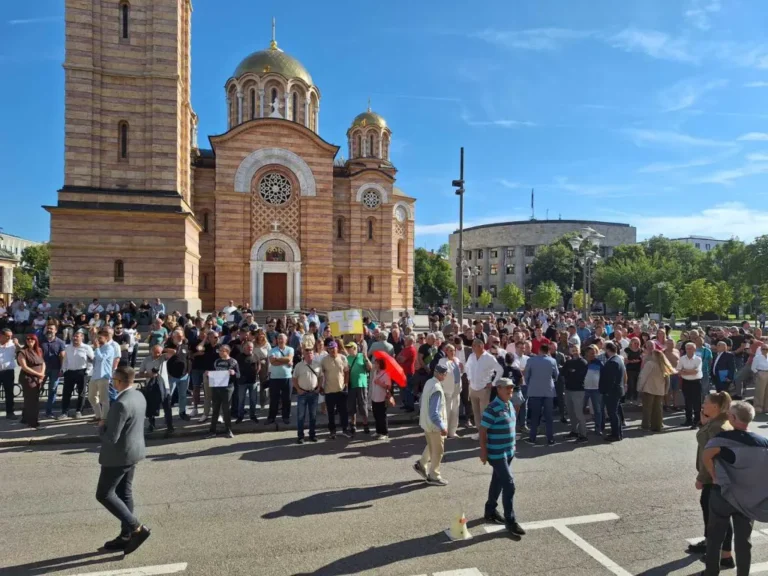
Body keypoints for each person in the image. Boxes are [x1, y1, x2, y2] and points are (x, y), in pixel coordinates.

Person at [701, 401, 768, 576]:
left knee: (715, 538)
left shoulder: (722, 440)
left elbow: (706, 455)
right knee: (744, 542)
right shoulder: (763, 443)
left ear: (732, 418)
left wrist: (714, 475)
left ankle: (711, 572)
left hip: (722, 494)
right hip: (748, 499)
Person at [95, 366, 151, 554]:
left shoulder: (121, 403)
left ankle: (136, 528)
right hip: (133, 452)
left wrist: (102, 426)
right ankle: (126, 535)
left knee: (104, 494)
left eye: (113, 380)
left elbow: (111, 437)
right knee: (124, 492)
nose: (112, 383)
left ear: (119, 381)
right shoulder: (139, 395)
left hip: (118, 456)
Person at [688, 392, 735, 568]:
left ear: (715, 407)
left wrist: (702, 478)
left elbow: (712, 458)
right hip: (712, 477)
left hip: (714, 478)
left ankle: (725, 555)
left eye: (706, 402)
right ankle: (710, 542)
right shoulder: (715, 422)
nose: (703, 404)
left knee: (720, 516)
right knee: (709, 510)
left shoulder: (718, 427)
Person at [479, 377, 527, 540]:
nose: (510, 391)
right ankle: (510, 520)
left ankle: (490, 511)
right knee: (509, 484)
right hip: (497, 453)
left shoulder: (509, 405)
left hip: (508, 452)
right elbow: (483, 430)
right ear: (498, 389)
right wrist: (483, 451)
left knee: (497, 481)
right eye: (507, 388)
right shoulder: (492, 408)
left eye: (511, 388)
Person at [413, 364, 449, 486]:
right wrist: (442, 426)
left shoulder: (429, 382)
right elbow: (434, 413)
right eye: (445, 374)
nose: (446, 376)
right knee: (438, 451)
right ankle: (434, 476)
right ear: (440, 374)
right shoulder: (437, 389)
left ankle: (421, 464)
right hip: (434, 426)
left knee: (431, 446)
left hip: (426, 424)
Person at [465, 338, 502, 439]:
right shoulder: (471, 356)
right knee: (476, 413)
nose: (472, 347)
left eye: (474, 346)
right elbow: (467, 368)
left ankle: (486, 433)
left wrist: (493, 383)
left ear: (481, 346)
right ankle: (480, 432)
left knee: (484, 413)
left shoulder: (489, 357)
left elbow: (500, 370)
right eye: (472, 345)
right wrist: (469, 378)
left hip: (484, 389)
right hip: (472, 388)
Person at [524, 343, 559, 446]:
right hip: (548, 391)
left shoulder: (531, 360)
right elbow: (556, 375)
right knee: (548, 416)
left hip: (535, 391)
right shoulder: (552, 361)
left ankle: (532, 438)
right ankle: (550, 439)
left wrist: (531, 384)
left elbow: (526, 376)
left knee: (535, 416)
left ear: (539, 350)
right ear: (548, 351)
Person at [637, 341, 675, 432]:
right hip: (660, 390)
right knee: (658, 409)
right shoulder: (664, 366)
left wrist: (639, 387)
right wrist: (666, 390)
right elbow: (667, 380)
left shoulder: (650, 364)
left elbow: (643, 376)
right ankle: (657, 425)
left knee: (647, 408)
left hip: (649, 389)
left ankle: (645, 425)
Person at [207, 345, 239, 438]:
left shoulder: (233, 362)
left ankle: (228, 430)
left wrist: (234, 373)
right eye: (219, 351)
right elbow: (213, 372)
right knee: (215, 409)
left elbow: (239, 375)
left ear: (227, 351)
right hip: (216, 387)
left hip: (227, 388)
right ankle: (212, 431)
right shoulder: (217, 361)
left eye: (222, 351)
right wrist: (208, 373)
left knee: (226, 410)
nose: (220, 352)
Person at [61, 330, 93, 419]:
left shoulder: (87, 348)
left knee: (81, 393)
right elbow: (65, 360)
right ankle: (64, 412)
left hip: (82, 372)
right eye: (74, 336)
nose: (75, 338)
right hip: (69, 372)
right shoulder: (68, 347)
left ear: (82, 338)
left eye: (77, 336)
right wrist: (64, 370)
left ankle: (79, 411)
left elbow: (91, 360)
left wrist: (87, 371)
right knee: (66, 393)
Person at [88, 329, 118, 423]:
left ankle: (105, 418)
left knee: (104, 399)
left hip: (104, 376)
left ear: (106, 338)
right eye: (97, 337)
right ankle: (98, 416)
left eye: (100, 337)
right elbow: (96, 361)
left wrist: (96, 348)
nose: (98, 339)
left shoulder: (109, 348)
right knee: (91, 397)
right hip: (95, 375)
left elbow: (102, 359)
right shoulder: (99, 348)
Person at [320, 341, 349, 439]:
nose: (332, 350)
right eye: (330, 349)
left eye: (334, 348)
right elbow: (321, 374)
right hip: (329, 390)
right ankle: (332, 431)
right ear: (328, 350)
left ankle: (345, 429)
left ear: (337, 348)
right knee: (331, 413)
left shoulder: (343, 358)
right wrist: (321, 386)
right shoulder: (324, 360)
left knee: (343, 411)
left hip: (341, 389)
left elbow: (346, 372)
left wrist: (346, 384)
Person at [293, 344, 321, 444]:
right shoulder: (299, 366)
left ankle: (312, 435)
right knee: (301, 416)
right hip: (302, 393)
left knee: (313, 416)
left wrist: (319, 387)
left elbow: (321, 377)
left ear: (313, 354)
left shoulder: (317, 365)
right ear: (303, 354)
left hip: (314, 393)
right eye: (307, 353)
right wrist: (298, 389)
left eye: (311, 353)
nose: (309, 354)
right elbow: (294, 379)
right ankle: (300, 436)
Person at [17, 334, 45, 429]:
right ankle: (33, 423)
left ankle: (25, 419)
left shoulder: (39, 350)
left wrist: (42, 373)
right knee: (32, 402)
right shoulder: (22, 352)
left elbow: (43, 362)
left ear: (35, 340)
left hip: (38, 378)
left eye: (32, 339)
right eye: (28, 339)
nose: (30, 340)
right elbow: (24, 367)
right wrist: (38, 374)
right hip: (28, 378)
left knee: (31, 399)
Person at [599, 342, 626, 442]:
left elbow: (610, 380)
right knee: (615, 413)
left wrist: (605, 391)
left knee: (613, 413)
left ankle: (616, 434)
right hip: (616, 391)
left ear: (608, 350)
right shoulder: (618, 359)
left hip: (611, 392)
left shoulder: (612, 362)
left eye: (604, 349)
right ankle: (617, 433)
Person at [163, 329, 190, 421]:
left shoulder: (185, 346)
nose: (179, 337)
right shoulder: (168, 346)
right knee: (168, 396)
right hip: (172, 376)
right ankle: (167, 414)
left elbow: (188, 359)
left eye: (181, 335)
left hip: (184, 376)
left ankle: (182, 412)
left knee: (183, 395)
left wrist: (188, 371)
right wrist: (166, 349)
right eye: (177, 336)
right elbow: (160, 353)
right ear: (173, 337)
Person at [563, 343, 589, 442]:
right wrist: (571, 372)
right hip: (568, 389)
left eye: (576, 349)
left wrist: (570, 372)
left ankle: (583, 435)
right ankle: (574, 431)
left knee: (579, 413)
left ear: (579, 350)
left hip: (578, 391)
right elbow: (563, 373)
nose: (574, 351)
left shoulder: (583, 362)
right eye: (572, 349)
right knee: (571, 413)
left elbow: (579, 376)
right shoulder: (568, 362)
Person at [345, 341, 371, 437]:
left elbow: (369, 368)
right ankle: (353, 424)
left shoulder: (361, 356)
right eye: (347, 348)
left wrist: (366, 359)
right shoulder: (347, 358)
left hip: (361, 384)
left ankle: (365, 424)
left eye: (349, 347)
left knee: (363, 405)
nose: (347, 349)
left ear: (354, 348)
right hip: (351, 385)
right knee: (351, 406)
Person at [437, 344, 462, 438]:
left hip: (456, 388)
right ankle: (444, 431)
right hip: (447, 389)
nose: (452, 352)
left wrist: (461, 368)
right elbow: (441, 374)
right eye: (450, 350)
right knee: (446, 411)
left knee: (455, 411)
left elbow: (459, 373)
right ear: (446, 351)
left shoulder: (457, 360)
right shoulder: (442, 361)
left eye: (453, 350)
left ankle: (452, 431)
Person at [679, 342, 704, 429]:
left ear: (694, 349)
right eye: (687, 348)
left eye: (690, 348)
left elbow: (696, 371)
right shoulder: (682, 359)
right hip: (686, 382)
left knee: (697, 402)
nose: (689, 350)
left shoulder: (698, 359)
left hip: (696, 382)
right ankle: (688, 420)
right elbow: (678, 371)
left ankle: (697, 421)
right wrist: (689, 371)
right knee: (687, 402)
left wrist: (685, 371)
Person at [236, 341, 259, 423]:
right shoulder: (238, 357)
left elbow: (258, 365)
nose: (250, 349)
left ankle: (252, 415)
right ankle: (240, 416)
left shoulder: (255, 356)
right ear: (244, 348)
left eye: (251, 347)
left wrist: (256, 372)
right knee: (241, 400)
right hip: (242, 382)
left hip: (253, 381)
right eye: (248, 347)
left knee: (253, 400)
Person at [370, 357, 392, 440]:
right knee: (376, 415)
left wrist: (380, 383)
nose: (375, 364)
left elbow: (388, 386)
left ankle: (384, 433)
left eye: (376, 363)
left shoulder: (385, 373)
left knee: (382, 416)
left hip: (381, 398)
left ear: (380, 364)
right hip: (374, 397)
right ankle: (378, 431)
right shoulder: (375, 372)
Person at [0, 328, 19, 419]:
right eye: (7, 336)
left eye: (11, 336)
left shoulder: (12, 344)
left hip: (8, 372)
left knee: (9, 393)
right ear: (1, 336)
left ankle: (10, 412)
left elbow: (22, 352)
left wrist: (17, 344)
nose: (9, 338)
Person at [624, 337, 643, 402]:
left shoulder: (640, 350)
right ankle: (629, 397)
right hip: (630, 370)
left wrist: (638, 361)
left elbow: (642, 359)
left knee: (637, 384)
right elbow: (625, 360)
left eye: (638, 343)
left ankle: (635, 398)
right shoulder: (627, 350)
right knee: (631, 384)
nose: (636, 344)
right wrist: (631, 361)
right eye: (635, 343)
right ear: (631, 343)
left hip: (638, 369)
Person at [751, 343, 768, 414]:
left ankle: (766, 407)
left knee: (767, 392)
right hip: (761, 373)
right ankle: (758, 407)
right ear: (761, 350)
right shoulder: (757, 357)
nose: (765, 350)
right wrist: (758, 374)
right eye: (763, 349)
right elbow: (753, 368)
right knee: (759, 392)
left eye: (766, 349)